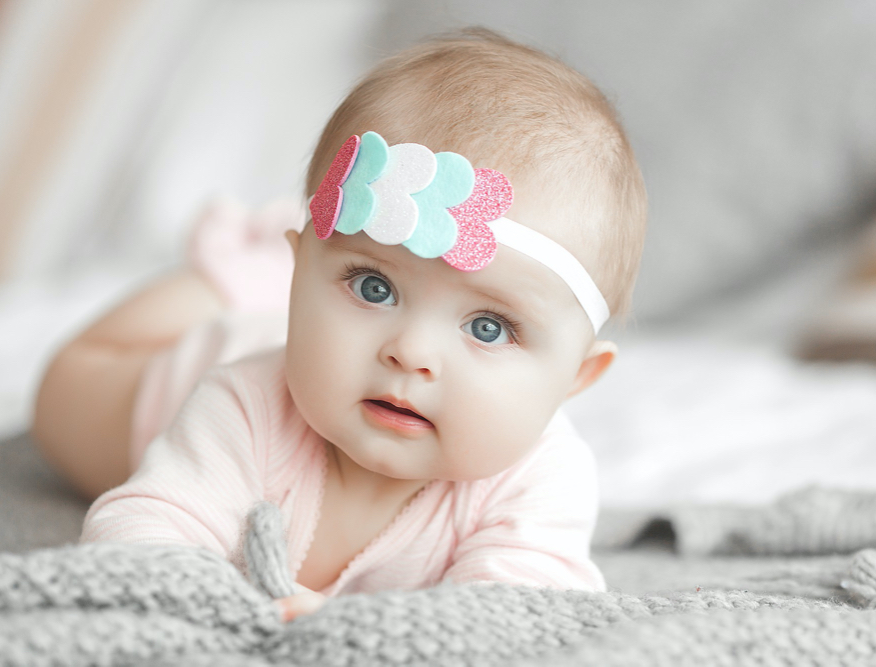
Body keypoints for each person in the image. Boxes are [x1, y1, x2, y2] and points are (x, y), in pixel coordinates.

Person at [32, 28, 647, 620]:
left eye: (488, 327)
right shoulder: (243, 403)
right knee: (63, 395)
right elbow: (147, 535)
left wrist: (352, 633)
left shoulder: (540, 479)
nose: (411, 351)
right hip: (169, 374)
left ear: (577, 375)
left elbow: (516, 615)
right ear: (304, 277)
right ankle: (234, 275)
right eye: (373, 286)